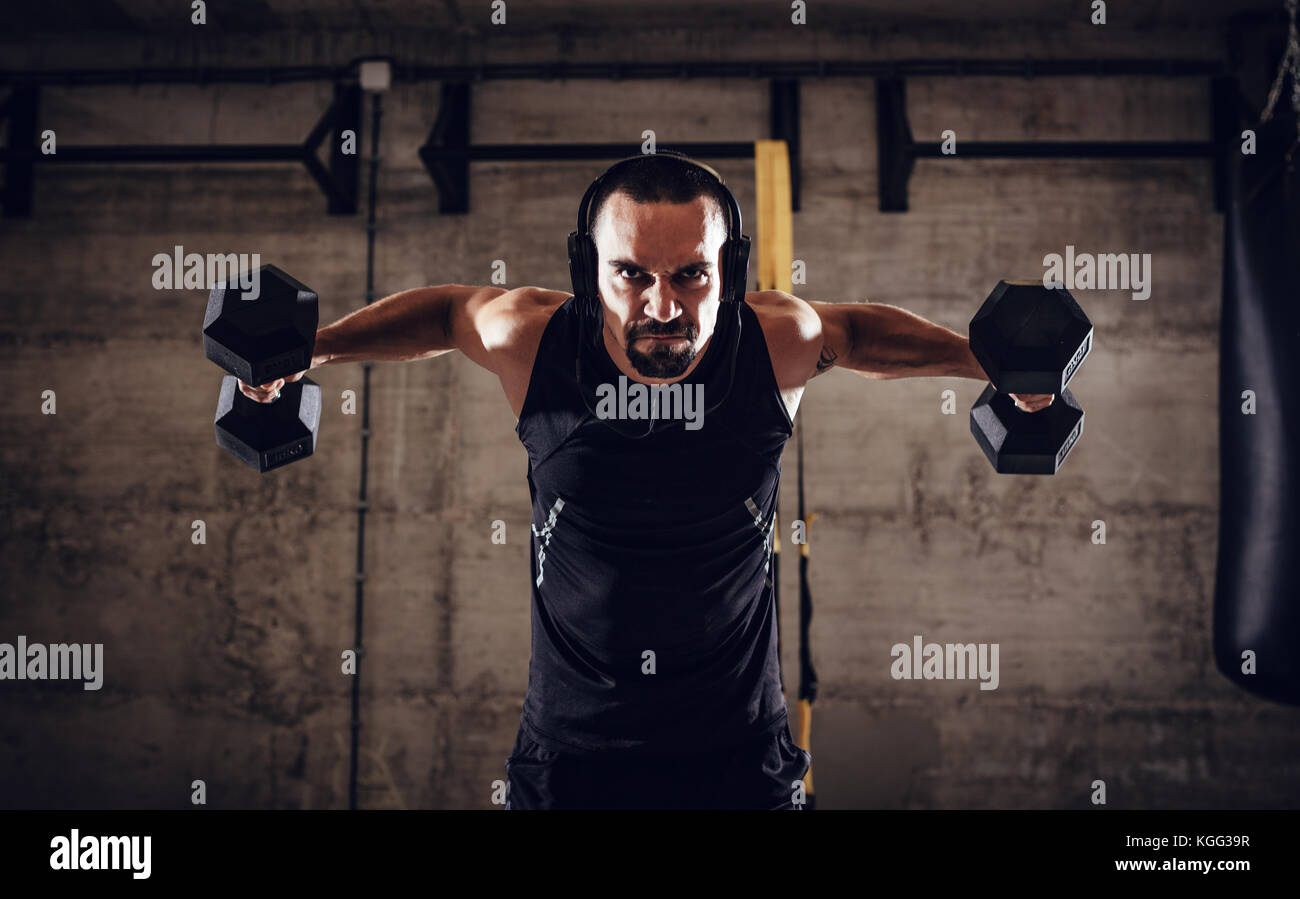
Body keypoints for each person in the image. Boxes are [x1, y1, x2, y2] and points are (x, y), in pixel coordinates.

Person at [239, 153, 1053, 809]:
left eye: (692, 275)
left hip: (741, 759)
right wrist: (316, 348)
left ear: (726, 270)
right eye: (631, 274)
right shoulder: (538, 342)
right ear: (588, 270)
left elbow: (854, 331)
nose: (663, 306)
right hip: (572, 761)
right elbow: (450, 314)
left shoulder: (770, 343)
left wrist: (986, 359)